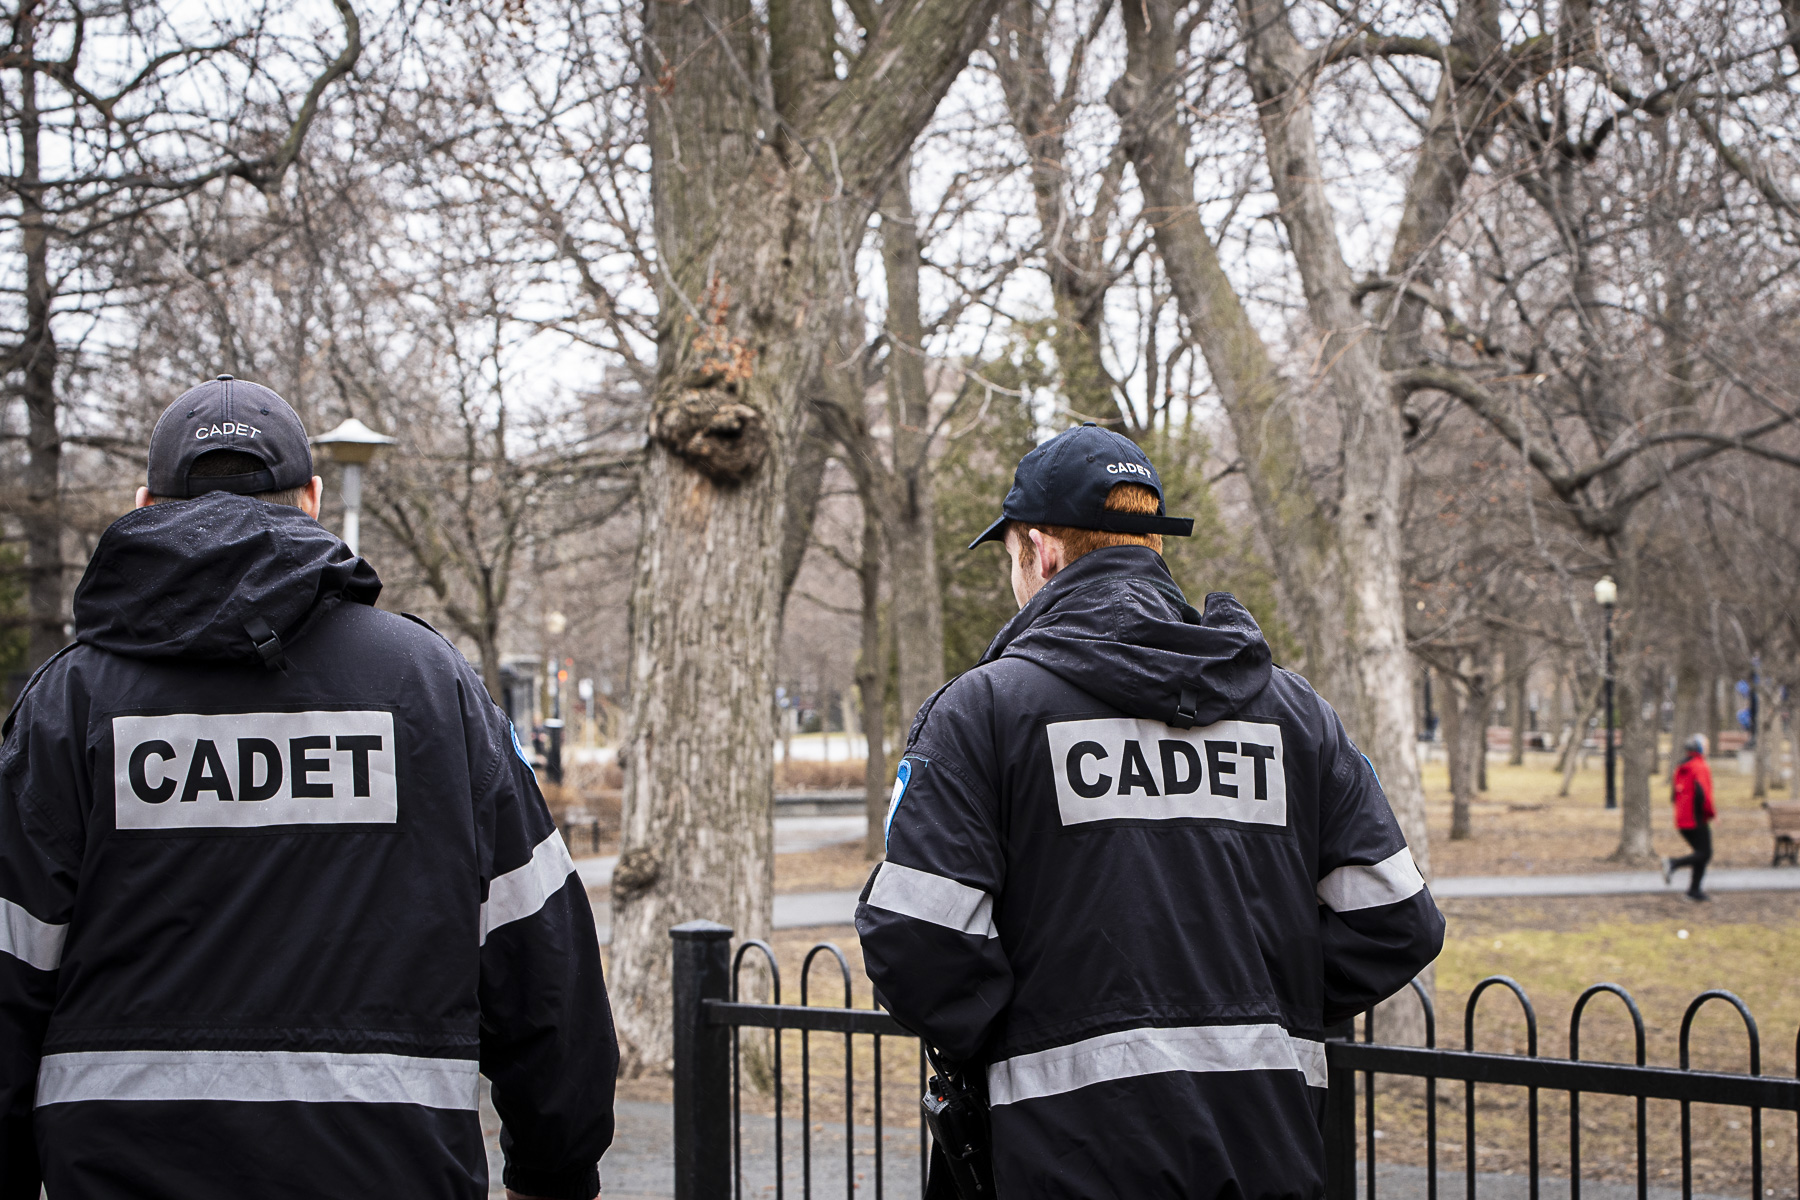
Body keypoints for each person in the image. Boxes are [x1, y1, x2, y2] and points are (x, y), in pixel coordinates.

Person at [0, 376, 617, 1200]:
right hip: (392, 1171)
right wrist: (555, 1170)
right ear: (315, 501)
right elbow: (541, 951)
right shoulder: (429, 687)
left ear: (145, 503)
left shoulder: (70, 704)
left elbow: (10, 968)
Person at [856, 423, 1445, 1199]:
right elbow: (1395, 920)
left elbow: (915, 943)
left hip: (1059, 1160)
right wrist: (1257, 999)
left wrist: (1030, 1032)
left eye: (1012, 559)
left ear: (1042, 551)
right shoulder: (1295, 716)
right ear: (1152, 547)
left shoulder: (984, 714)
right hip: (1268, 1155)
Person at [1663, 734, 1717, 901]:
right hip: (1697, 817)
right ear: (1700, 749)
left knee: (1700, 853)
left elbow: (1673, 796)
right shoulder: (1700, 766)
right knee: (1705, 853)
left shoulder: (1681, 767)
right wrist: (1711, 814)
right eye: (1706, 746)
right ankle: (1673, 864)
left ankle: (1694, 891)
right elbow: (1704, 795)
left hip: (1682, 818)